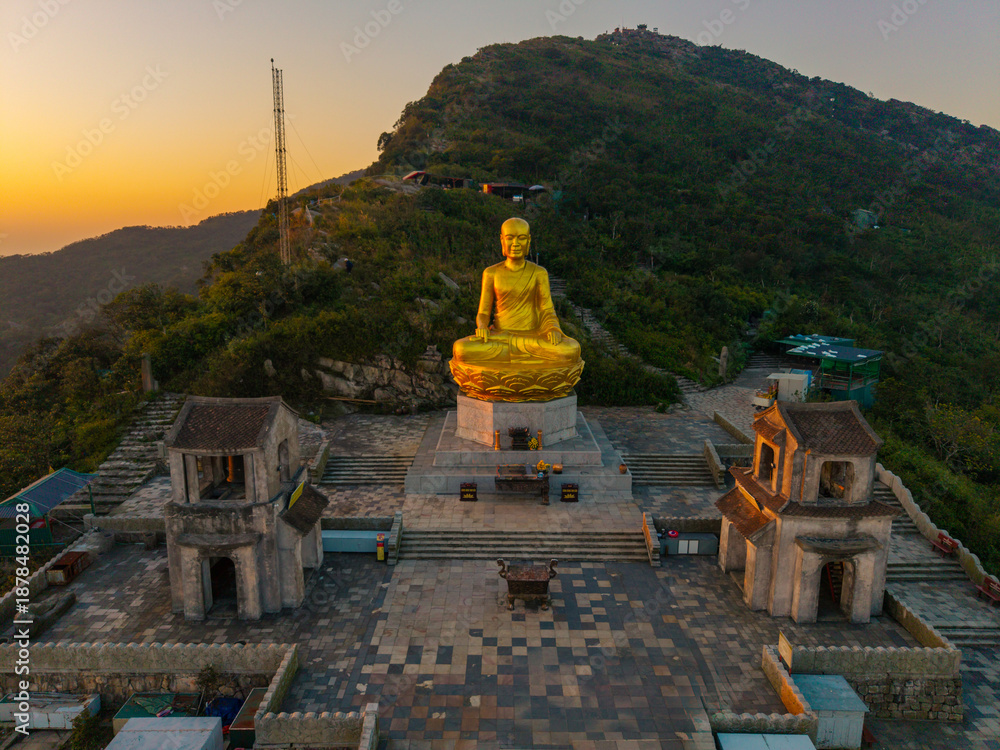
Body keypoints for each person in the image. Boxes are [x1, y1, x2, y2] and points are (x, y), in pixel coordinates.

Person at [452, 217, 581, 367]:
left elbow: (547, 310)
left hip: (532, 338)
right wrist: (482, 327)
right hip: (500, 337)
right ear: (502, 240)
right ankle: (527, 366)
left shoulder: (539, 273)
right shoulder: (491, 273)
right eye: (510, 238)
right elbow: (483, 312)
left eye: (521, 238)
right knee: (461, 349)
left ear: (529, 241)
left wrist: (553, 329)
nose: (515, 244)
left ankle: (512, 364)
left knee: (570, 349)